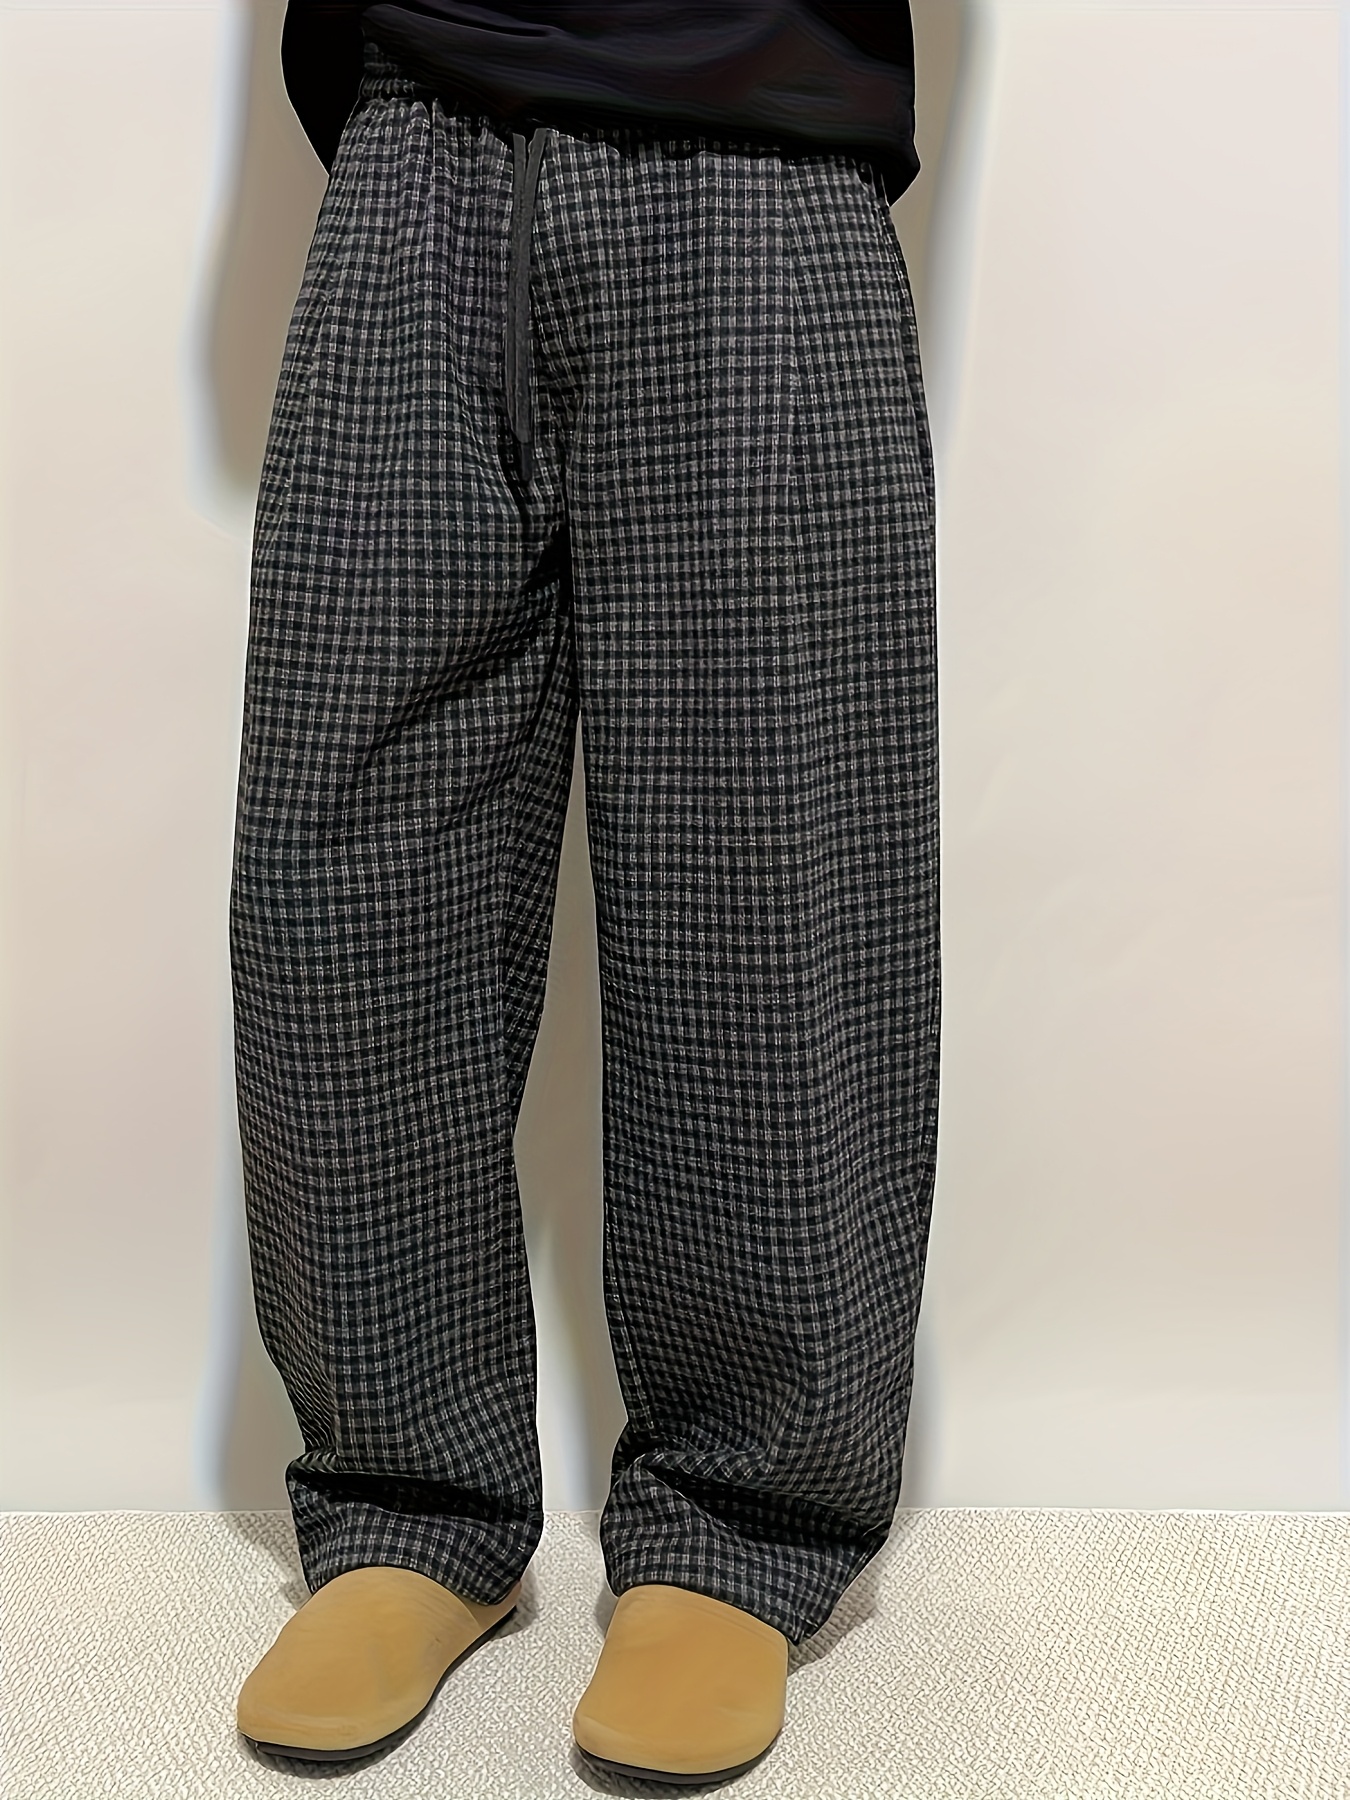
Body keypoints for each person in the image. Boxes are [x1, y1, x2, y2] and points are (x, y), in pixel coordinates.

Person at [231, 0, 938, 1783]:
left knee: (764, 878)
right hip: (410, 142)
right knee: (350, 859)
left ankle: (742, 1525)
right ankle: (406, 1504)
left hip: (759, 152)